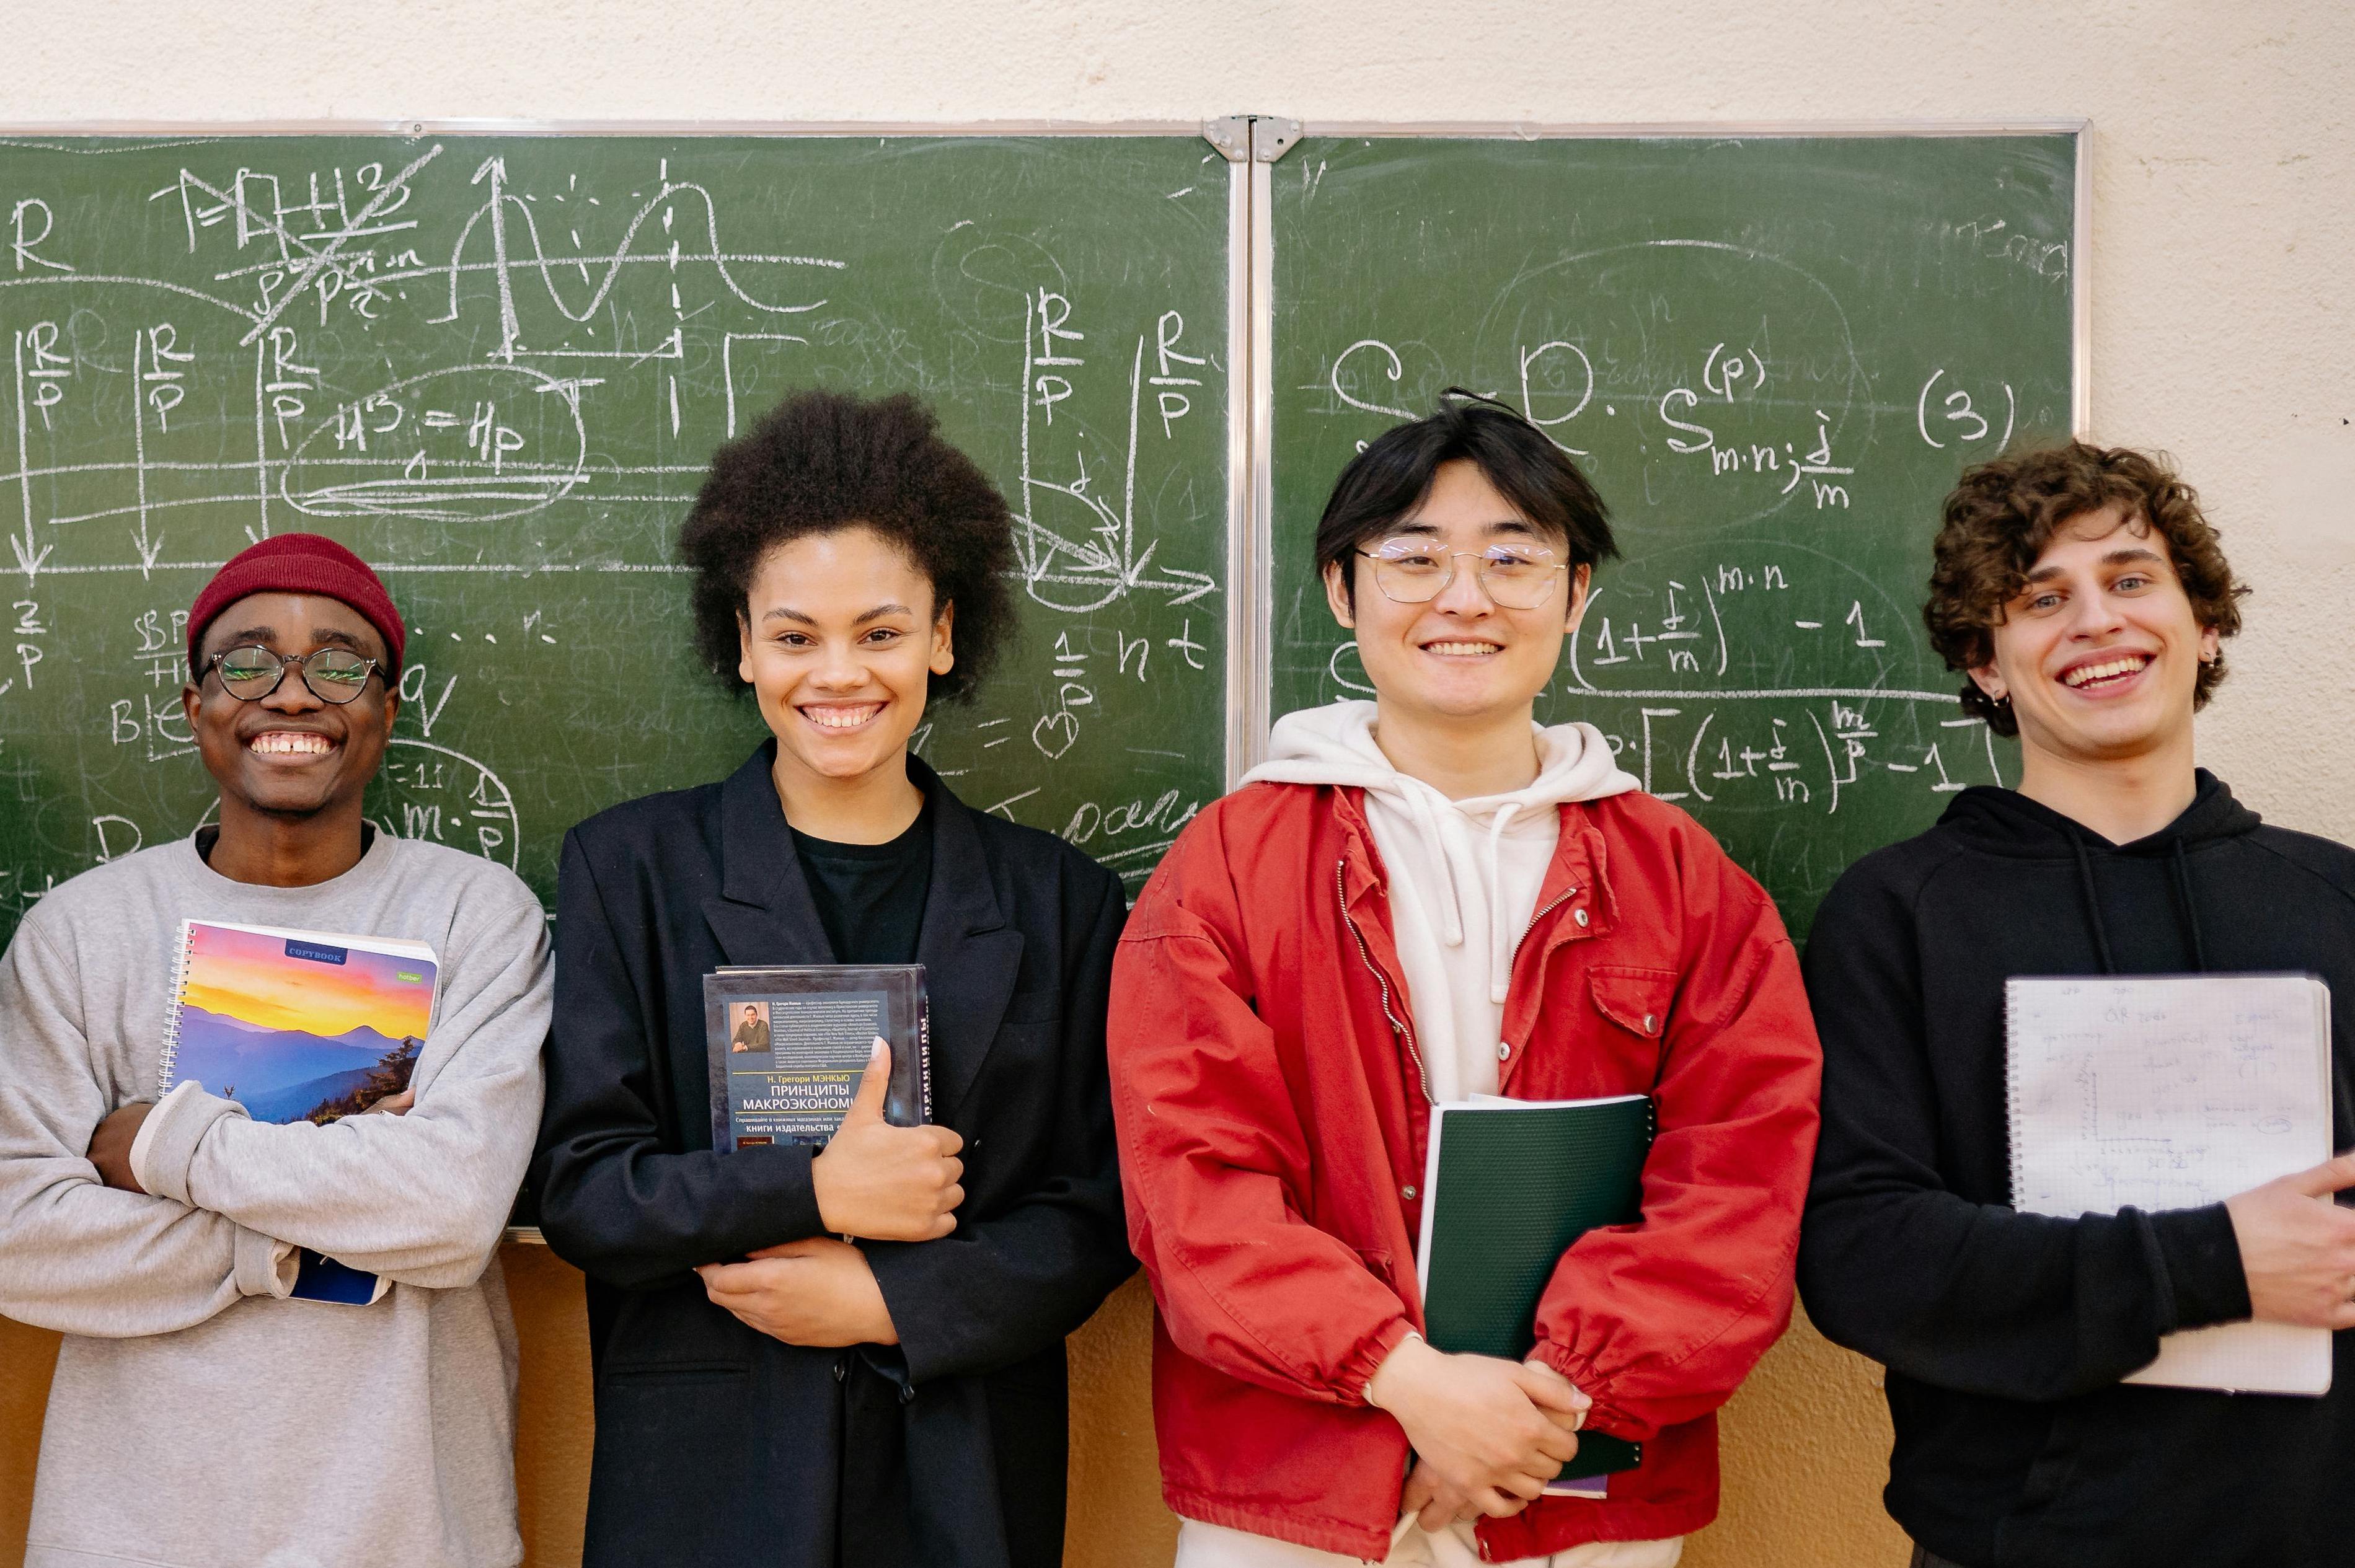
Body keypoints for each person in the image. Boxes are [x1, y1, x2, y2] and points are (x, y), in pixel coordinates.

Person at [1109, 392, 1823, 1567]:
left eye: (1513, 557)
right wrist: (1409, 1383)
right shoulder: (1228, 867)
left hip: (1577, 1475)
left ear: (1576, 590)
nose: (1465, 598)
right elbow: (1192, 1187)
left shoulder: (1686, 882)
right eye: (1414, 557)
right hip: (1300, 1484)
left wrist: (1547, 1401)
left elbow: (1741, 1176)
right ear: (1344, 590)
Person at [532, 389, 1134, 1568]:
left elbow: (1099, 1210)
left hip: (961, 1480)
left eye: (881, 630)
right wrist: (814, 1191)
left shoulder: (1059, 901)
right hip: (715, 1478)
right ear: (742, 641)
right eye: (796, 635)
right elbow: (586, 1190)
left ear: (943, 636)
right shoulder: (630, 869)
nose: (839, 674)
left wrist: (895, 1303)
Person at [1798, 442, 2355, 1568]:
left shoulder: (2337, 895)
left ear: (2205, 625)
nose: (2096, 620)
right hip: (2016, 1543)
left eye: (2132, 579)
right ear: (1986, 662)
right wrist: (2214, 1261)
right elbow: (1861, 1253)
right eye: (2042, 598)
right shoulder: (1896, 913)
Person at [0, 533, 552, 1568]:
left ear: (388, 708)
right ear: (195, 705)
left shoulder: (478, 917)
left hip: (411, 1528)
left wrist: (169, 1150)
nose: (293, 695)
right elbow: (19, 1232)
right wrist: (280, 1243)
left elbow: (450, 1208)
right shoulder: (81, 934)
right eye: (247, 662)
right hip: (129, 1533)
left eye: (340, 663)